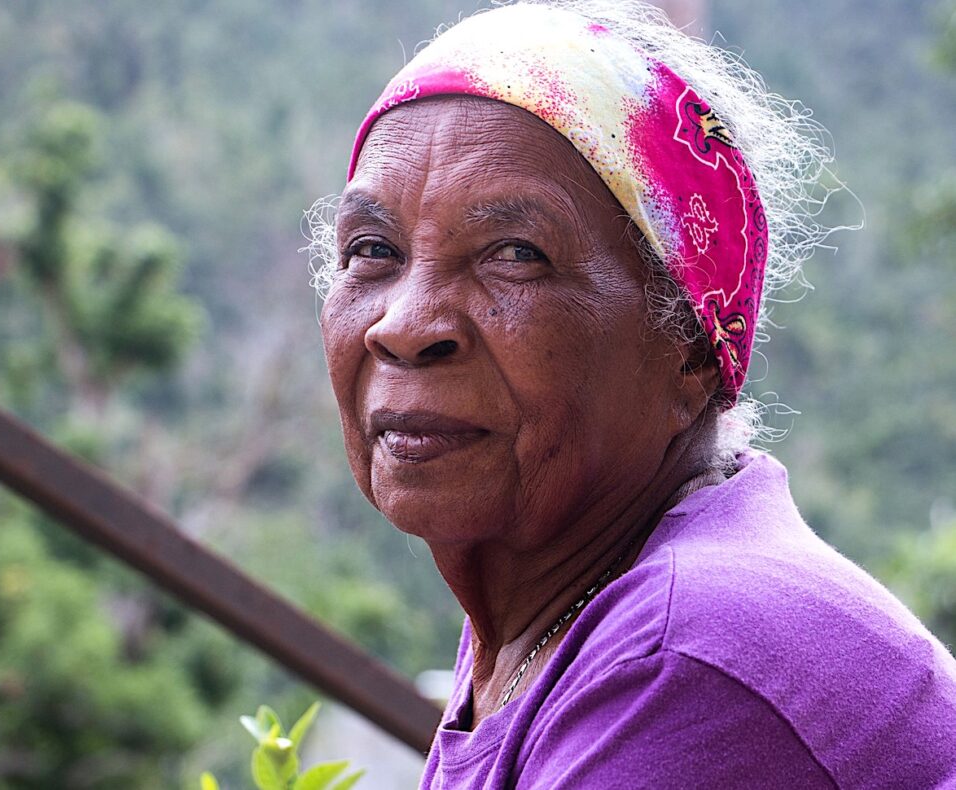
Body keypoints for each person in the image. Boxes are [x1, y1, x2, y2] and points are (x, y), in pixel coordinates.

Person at [309, 1, 956, 787]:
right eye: (372, 250)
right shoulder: (557, 605)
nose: (405, 327)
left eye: (516, 254)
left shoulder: (682, 661)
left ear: (690, 347)